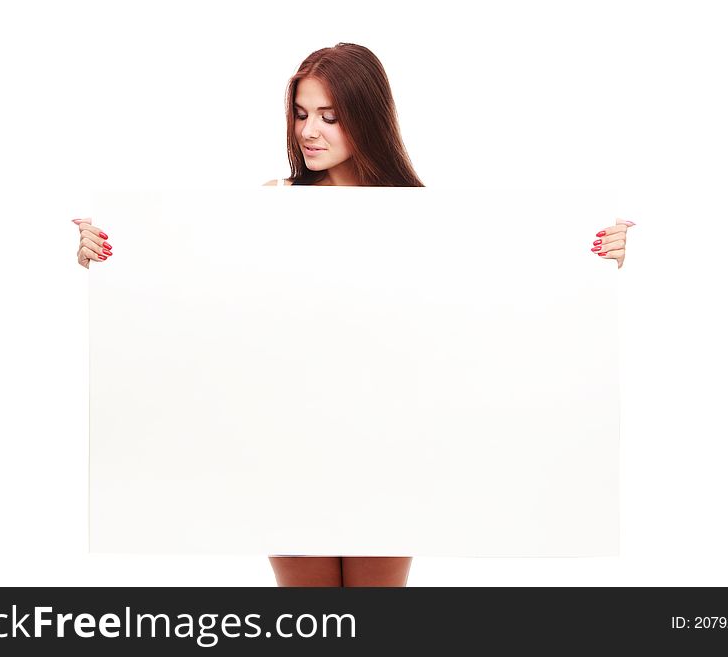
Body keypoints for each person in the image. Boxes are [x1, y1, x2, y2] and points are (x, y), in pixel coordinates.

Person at [72, 43, 635, 587]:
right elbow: (197, 290)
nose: (308, 131)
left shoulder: (421, 217)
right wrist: (114, 253)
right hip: (282, 440)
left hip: (387, 443)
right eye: (300, 115)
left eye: (328, 116)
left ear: (364, 118)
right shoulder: (270, 205)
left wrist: (591, 254)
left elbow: (497, 294)